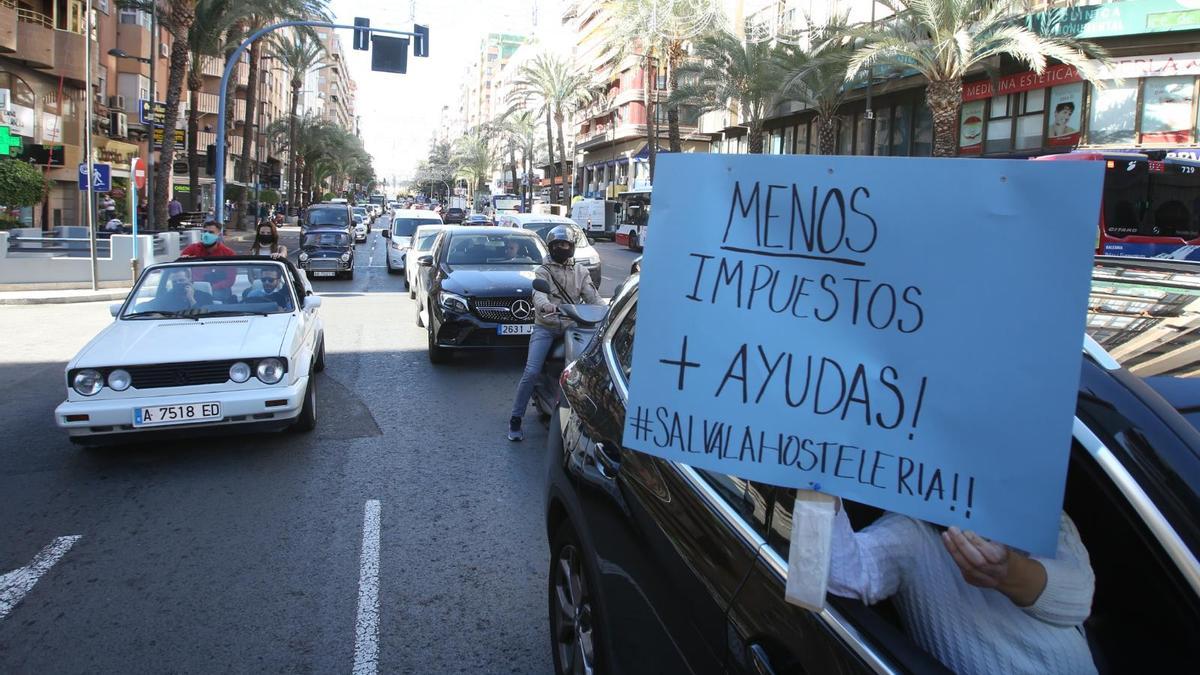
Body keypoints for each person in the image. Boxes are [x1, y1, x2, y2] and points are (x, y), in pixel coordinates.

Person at [828, 500, 1096, 675]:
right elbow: (842, 576)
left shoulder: (1042, 512)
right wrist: (820, 489)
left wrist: (1008, 571)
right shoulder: (912, 532)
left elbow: (1077, 600)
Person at [508, 226, 601, 441]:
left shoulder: (580, 271)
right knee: (531, 372)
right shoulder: (543, 271)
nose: (562, 247)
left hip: (573, 326)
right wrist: (546, 306)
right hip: (547, 326)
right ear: (551, 247)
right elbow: (539, 295)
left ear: (571, 247)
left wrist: (606, 309)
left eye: (565, 244)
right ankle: (515, 419)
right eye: (557, 245)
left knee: (592, 368)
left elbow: (592, 297)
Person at [180, 221, 237, 300]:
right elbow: (180, 271)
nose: (206, 234)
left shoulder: (228, 253)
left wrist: (212, 288)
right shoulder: (191, 249)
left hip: (218, 289)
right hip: (195, 289)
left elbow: (230, 280)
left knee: (217, 297)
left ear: (219, 235)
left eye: (211, 232)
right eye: (205, 232)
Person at [143, 267, 213, 312]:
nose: (178, 283)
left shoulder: (205, 296)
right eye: (174, 282)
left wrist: (191, 299)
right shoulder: (168, 297)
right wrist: (156, 314)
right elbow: (141, 307)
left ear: (189, 279)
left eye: (181, 280)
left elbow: (204, 316)